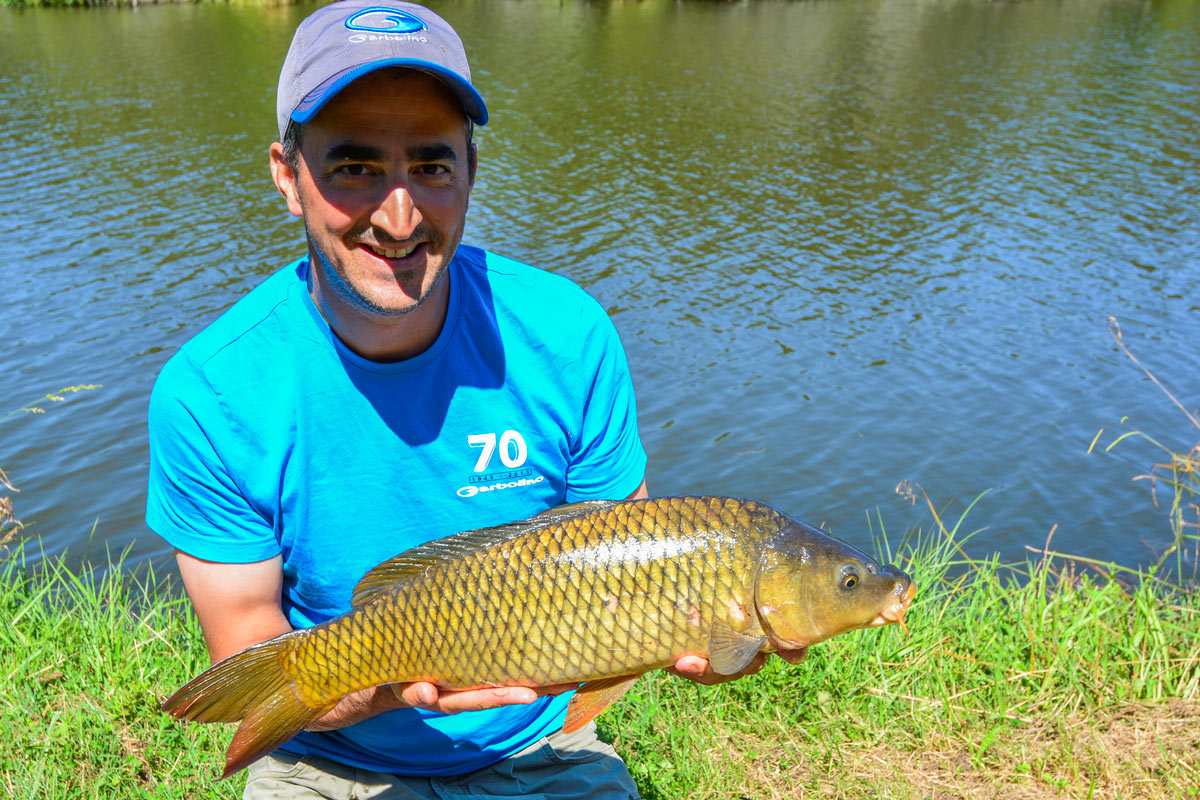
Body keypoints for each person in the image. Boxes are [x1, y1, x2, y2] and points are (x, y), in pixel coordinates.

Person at [146, 2, 768, 797]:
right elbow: (247, 646)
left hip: (536, 751)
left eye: (432, 166)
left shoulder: (566, 333)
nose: (399, 216)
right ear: (287, 178)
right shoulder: (212, 393)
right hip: (329, 758)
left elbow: (628, 562)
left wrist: (710, 639)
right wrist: (387, 679)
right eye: (354, 166)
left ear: (471, 171)